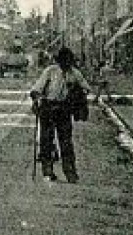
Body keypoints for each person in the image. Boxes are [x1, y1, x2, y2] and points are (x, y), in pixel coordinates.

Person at [31, 46, 91, 183]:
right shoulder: (50, 71)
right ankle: (47, 170)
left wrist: (76, 91)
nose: (66, 64)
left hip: (64, 110)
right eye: (64, 61)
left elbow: (86, 88)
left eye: (68, 62)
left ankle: (70, 172)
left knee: (66, 142)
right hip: (48, 108)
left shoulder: (74, 73)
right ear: (59, 61)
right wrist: (37, 98)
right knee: (47, 141)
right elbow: (37, 88)